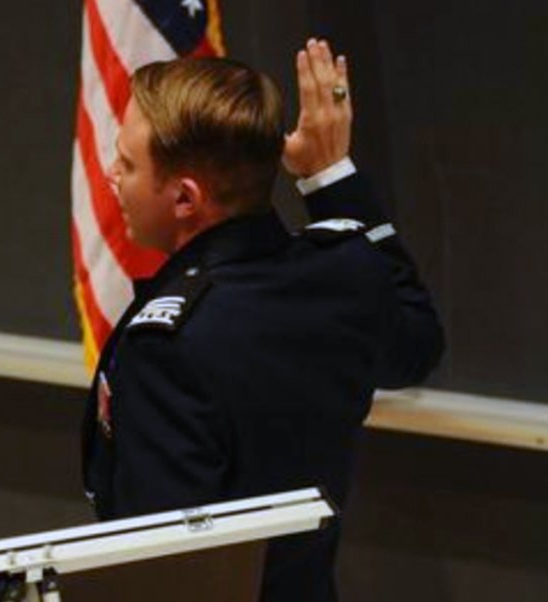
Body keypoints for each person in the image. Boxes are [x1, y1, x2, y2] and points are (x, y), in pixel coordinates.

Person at [81, 40, 444, 601]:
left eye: (127, 164)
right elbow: (418, 345)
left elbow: (166, 574)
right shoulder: (342, 277)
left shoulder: (167, 346)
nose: (111, 175)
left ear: (185, 199)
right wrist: (331, 178)